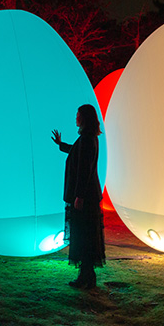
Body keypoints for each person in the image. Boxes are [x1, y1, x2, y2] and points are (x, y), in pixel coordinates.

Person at [51, 104, 105, 289]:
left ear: (84, 118)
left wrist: (79, 196)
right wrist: (61, 144)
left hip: (85, 198)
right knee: (85, 236)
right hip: (87, 196)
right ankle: (86, 276)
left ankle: (86, 277)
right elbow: (77, 152)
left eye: (78, 115)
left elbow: (85, 169)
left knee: (84, 236)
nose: (76, 117)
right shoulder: (87, 138)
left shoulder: (88, 139)